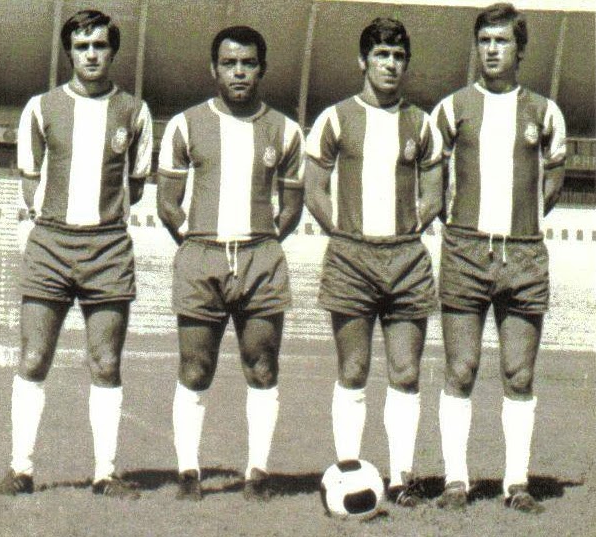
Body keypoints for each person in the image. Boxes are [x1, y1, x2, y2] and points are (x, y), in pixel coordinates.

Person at [0, 10, 153, 499]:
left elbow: (135, 186)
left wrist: (99, 221)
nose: (91, 54)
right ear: (69, 52)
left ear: (113, 50)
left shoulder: (134, 112)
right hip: (51, 243)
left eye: (100, 45)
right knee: (34, 355)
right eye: (82, 46)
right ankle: (20, 469)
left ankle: (106, 474)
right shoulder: (40, 108)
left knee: (105, 361)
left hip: (108, 247)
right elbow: (30, 183)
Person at [156, 25, 304, 501]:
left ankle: (257, 473)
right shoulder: (185, 125)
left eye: (248, 63)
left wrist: (263, 241)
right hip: (202, 256)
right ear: (214, 69)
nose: (238, 72)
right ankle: (188, 473)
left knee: (261, 366)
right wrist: (196, 241)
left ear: (262, 69)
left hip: (260, 258)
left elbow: (292, 206)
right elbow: (168, 203)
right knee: (195, 368)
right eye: (229, 63)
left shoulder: (286, 130)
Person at [432, 3, 566, 512]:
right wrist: (456, 225)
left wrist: (524, 224)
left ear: (520, 49)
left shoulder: (544, 112)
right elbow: (434, 177)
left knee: (519, 373)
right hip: (466, 251)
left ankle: (516, 483)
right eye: (485, 41)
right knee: (461, 368)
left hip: (524, 255)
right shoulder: (453, 108)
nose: (491, 50)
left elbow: (553, 180)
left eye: (502, 41)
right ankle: (455, 481)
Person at [305, 17, 443, 507]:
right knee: (354, 368)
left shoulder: (422, 124)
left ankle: (402, 478)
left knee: (405, 372)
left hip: (406, 259)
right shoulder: (335, 118)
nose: (390, 64)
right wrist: (344, 233)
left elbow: (434, 193)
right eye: (382, 55)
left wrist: (408, 229)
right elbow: (314, 188)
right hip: (351, 258)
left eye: (399, 56)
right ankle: (348, 472)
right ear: (363, 61)